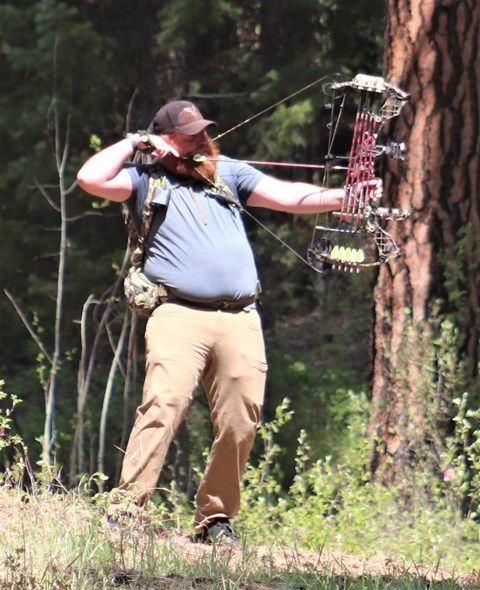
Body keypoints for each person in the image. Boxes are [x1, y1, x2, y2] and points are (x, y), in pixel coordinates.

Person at [77, 100, 381, 544]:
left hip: (239, 317)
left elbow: (292, 196)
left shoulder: (230, 174)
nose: (199, 141)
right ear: (162, 140)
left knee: (241, 419)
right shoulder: (144, 180)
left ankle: (215, 520)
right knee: (164, 405)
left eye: (202, 133)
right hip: (178, 313)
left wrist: (344, 197)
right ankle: (125, 511)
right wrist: (134, 143)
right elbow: (89, 179)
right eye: (187, 136)